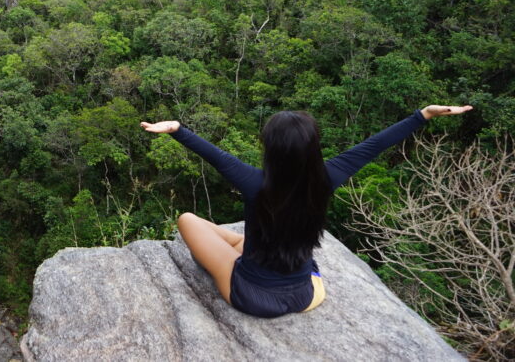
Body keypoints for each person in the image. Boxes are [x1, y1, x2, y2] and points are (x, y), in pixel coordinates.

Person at [140, 104, 472, 318]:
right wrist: (422, 115)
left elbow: (217, 157)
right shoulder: (326, 179)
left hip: (252, 296)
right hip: (309, 293)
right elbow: (373, 147)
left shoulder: (254, 183)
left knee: (188, 220)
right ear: (313, 147)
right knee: (241, 242)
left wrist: (177, 130)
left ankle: (239, 256)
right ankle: (242, 251)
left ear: (271, 149)